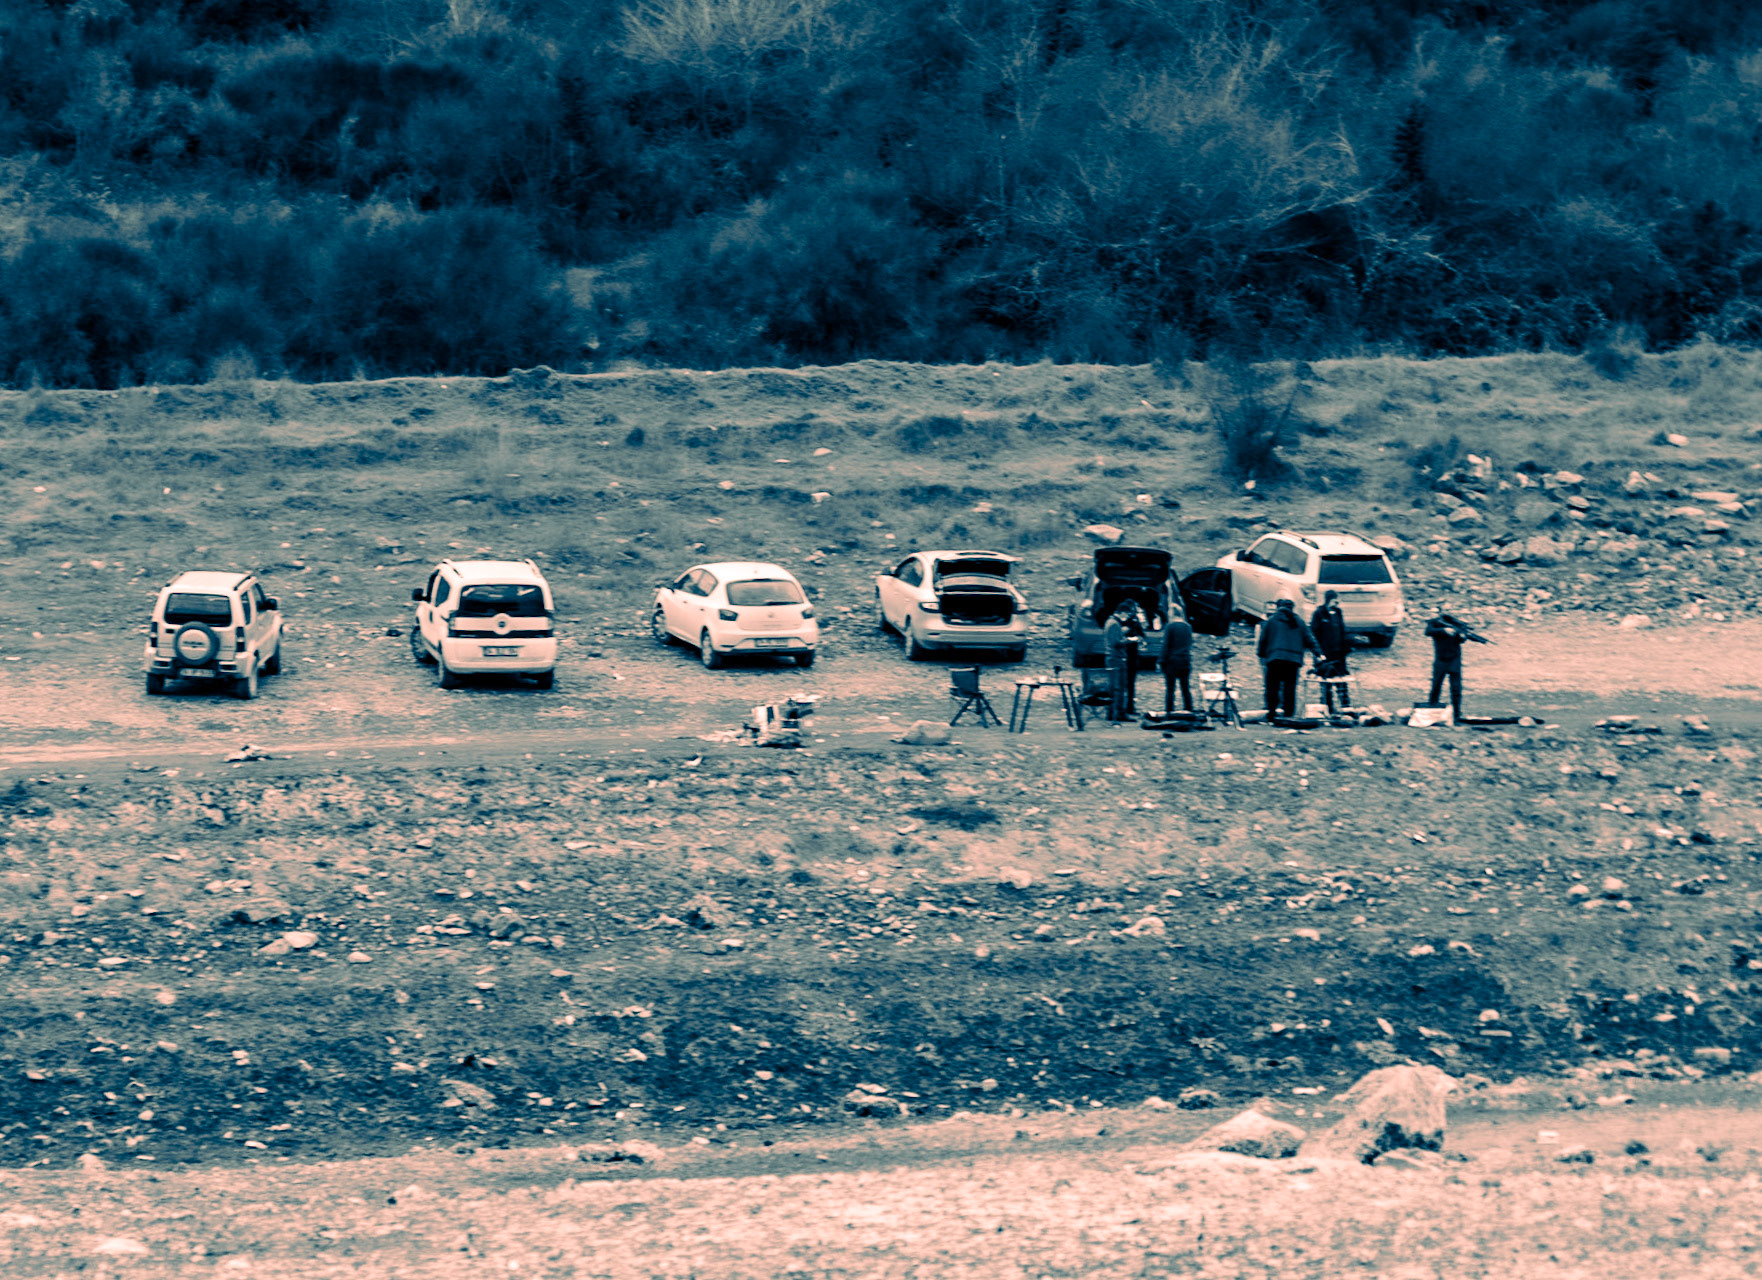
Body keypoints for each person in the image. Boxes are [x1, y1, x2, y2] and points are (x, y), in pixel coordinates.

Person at [1424, 602, 1487, 722]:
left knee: (1456, 688)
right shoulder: (1434, 624)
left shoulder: (1453, 622)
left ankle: (1457, 713)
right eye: (1431, 612)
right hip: (1440, 660)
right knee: (1436, 686)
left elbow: (1461, 639)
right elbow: (1428, 631)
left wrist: (1462, 636)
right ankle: (1432, 709)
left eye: (1435, 612)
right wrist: (1444, 630)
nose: (1432, 614)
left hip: (1454, 659)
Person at [1257, 597, 1317, 719]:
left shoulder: (1272, 620)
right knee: (1290, 688)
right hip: (1293, 660)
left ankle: (1272, 712)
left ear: (1278, 608)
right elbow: (1310, 639)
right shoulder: (1299, 621)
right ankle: (1288, 713)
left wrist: (1262, 654)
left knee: (1272, 686)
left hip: (1275, 658)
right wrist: (1319, 654)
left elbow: (1263, 639)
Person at [1309, 589, 1352, 712]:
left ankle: (1345, 707)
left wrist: (1347, 646)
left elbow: (1342, 630)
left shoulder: (1338, 612)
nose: (1336, 602)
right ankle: (1327, 707)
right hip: (1325, 654)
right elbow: (1314, 633)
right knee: (1326, 682)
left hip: (1339, 654)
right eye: (1334, 600)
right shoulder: (1319, 613)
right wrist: (1318, 653)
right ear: (1328, 600)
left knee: (1341, 680)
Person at [1104, 602, 1145, 721]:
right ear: (1122, 612)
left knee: (1116, 686)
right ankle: (1119, 713)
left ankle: (1114, 712)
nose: (1127, 617)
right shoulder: (1114, 624)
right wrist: (1131, 640)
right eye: (1127, 614)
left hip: (1114, 657)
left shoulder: (1110, 622)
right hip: (1116, 658)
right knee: (1119, 686)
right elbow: (1116, 642)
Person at [1161, 609, 1194, 714]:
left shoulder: (1170, 627)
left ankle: (1169, 711)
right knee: (1185, 688)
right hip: (1185, 660)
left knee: (1170, 688)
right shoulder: (1188, 627)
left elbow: (1166, 645)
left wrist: (1161, 660)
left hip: (1172, 661)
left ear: (1171, 614)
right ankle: (1188, 709)